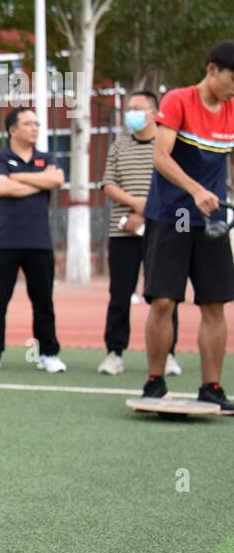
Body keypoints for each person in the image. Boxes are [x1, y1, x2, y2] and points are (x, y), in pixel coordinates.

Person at [140, 41, 234, 408]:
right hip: (174, 215)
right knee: (164, 300)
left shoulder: (232, 110)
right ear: (212, 70)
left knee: (214, 303)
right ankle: (155, 381)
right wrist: (195, 190)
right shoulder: (179, 100)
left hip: (213, 220)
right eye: (232, 80)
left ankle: (212, 387)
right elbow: (160, 157)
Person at [0, 108, 67, 373]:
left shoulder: (46, 158)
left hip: (39, 242)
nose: (35, 128)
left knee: (43, 302)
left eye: (37, 124)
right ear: (13, 130)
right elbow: (2, 187)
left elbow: (58, 179)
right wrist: (40, 182)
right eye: (28, 124)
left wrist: (18, 177)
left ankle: (48, 353)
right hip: (5, 241)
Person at [98, 90, 180, 375]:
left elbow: (175, 183)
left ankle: (168, 354)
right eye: (129, 108)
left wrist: (146, 213)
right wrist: (135, 204)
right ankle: (114, 353)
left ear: (153, 113)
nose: (131, 113)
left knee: (164, 295)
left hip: (162, 231)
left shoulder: (169, 145)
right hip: (123, 232)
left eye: (137, 108)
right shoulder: (118, 146)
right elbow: (108, 184)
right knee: (119, 294)